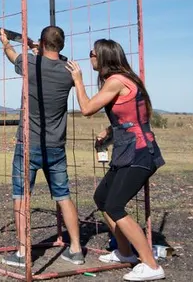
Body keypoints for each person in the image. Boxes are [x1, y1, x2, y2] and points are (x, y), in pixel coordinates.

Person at [64, 39, 166, 281]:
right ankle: (125, 252)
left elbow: (87, 109)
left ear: (102, 56)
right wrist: (109, 132)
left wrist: (77, 81)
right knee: (102, 198)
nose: (89, 57)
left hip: (140, 153)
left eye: (92, 53)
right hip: (128, 151)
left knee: (115, 206)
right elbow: (130, 116)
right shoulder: (122, 80)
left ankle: (151, 266)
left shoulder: (116, 81)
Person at [0, 25, 85, 268]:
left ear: (42, 44)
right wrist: (38, 50)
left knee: (21, 197)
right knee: (63, 196)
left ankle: (23, 252)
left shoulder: (31, 64)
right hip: (56, 146)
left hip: (29, 143)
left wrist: (5, 41)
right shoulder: (69, 71)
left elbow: (11, 55)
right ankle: (76, 249)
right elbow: (55, 61)